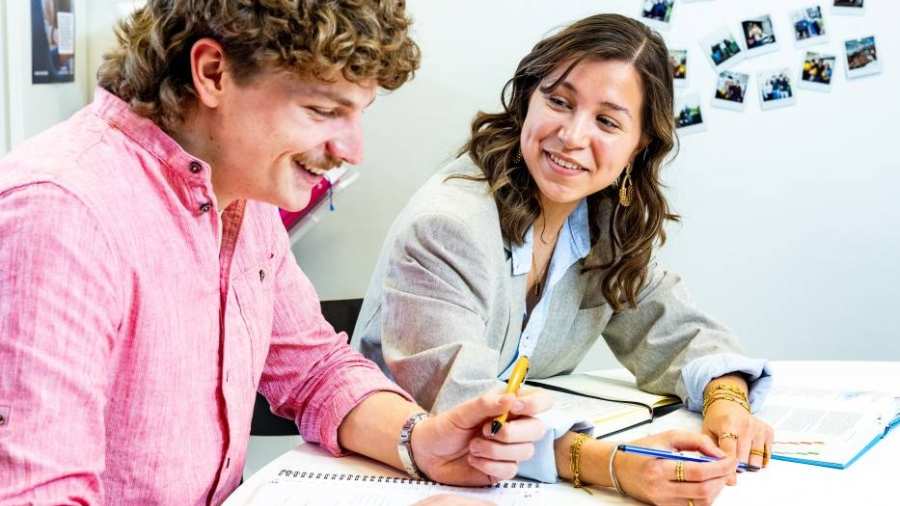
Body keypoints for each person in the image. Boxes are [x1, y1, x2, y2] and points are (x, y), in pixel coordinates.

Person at [0, 1, 553, 504]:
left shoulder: (239, 187)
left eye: (359, 112)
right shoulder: (61, 213)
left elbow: (314, 370)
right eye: (321, 110)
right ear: (213, 72)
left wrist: (421, 441)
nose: (351, 150)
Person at [353, 13, 774, 506]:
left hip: (509, 485)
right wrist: (613, 465)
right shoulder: (449, 225)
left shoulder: (602, 222)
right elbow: (467, 409)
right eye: (559, 101)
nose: (572, 135)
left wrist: (727, 402)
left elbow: (677, 330)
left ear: (639, 146)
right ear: (528, 99)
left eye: (607, 121)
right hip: (392, 478)